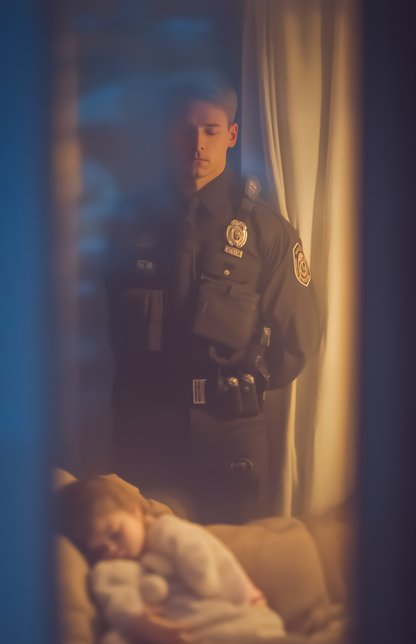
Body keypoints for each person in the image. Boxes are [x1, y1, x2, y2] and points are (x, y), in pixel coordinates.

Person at [105, 73, 321, 524]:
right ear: (170, 134)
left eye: (211, 130)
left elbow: (300, 338)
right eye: (186, 130)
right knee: (141, 574)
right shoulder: (129, 224)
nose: (197, 144)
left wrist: (250, 380)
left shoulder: (265, 231)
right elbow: (111, 323)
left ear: (232, 135)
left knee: (236, 569)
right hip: (145, 430)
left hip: (229, 434)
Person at [56, 476, 283, 644]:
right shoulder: (111, 567)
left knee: (257, 628)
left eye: (115, 534)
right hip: (156, 625)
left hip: (206, 605)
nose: (112, 549)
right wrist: (139, 622)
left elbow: (204, 567)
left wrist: (204, 578)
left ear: (135, 514)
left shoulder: (166, 531)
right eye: (100, 549)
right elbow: (115, 600)